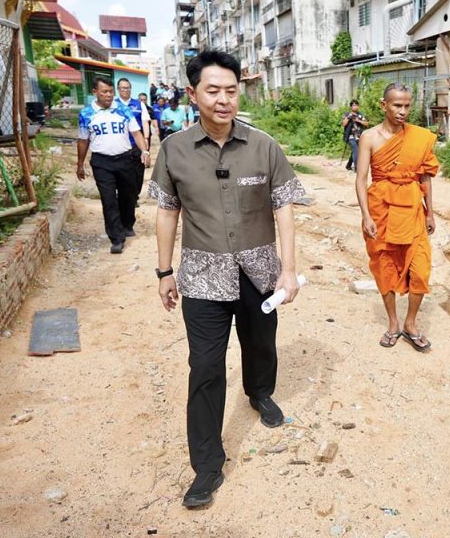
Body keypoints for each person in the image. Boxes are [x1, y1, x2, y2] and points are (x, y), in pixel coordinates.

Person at [149, 49, 305, 509]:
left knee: (261, 345)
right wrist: (164, 271)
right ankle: (207, 465)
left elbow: (284, 207)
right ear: (192, 93)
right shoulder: (174, 149)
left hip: (258, 272)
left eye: (231, 91)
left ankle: (260, 393)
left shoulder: (263, 145)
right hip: (202, 277)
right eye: (213, 90)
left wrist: (288, 270)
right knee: (205, 368)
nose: (223, 100)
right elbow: (167, 212)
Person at [355, 83, 439, 351]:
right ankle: (393, 323)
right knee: (384, 266)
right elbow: (361, 179)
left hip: (412, 208)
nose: (403, 111)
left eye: (407, 106)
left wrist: (430, 212)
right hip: (381, 208)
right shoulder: (369, 137)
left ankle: (410, 323)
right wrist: (366, 216)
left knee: (421, 268)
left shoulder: (419, 137)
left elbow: (425, 176)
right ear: (384, 105)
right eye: (397, 105)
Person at [76, 75, 149, 254]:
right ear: (95, 92)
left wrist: (145, 151)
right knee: (108, 200)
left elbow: (136, 133)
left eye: (110, 92)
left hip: (125, 159)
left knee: (128, 196)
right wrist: (80, 163)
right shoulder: (86, 114)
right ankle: (116, 238)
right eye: (104, 92)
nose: (108, 95)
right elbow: (83, 140)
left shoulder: (123, 110)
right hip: (101, 162)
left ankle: (127, 224)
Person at [114, 78, 151, 211]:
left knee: (138, 172)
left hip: (136, 144)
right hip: (120, 144)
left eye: (128, 88)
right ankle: (123, 196)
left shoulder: (139, 105)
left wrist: (146, 139)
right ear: (118, 89)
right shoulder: (113, 105)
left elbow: (145, 122)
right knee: (121, 172)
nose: (125, 90)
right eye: (123, 88)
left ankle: (134, 196)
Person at [342, 99, 368, 171]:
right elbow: (343, 124)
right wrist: (348, 117)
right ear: (351, 107)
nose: (355, 106)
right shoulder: (347, 114)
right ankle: (357, 168)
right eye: (354, 105)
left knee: (355, 150)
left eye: (357, 105)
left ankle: (348, 165)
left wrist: (358, 120)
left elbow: (366, 124)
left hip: (359, 136)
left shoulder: (360, 115)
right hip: (350, 136)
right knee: (356, 150)